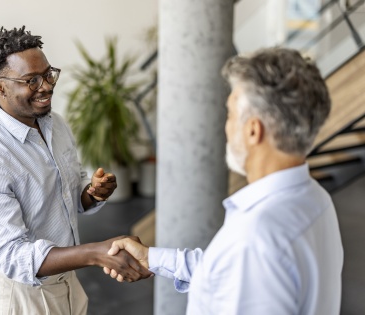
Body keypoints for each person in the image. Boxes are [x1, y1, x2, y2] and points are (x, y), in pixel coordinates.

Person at [105, 47, 344, 314]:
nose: (226, 125)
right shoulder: (316, 198)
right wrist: (152, 258)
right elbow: (228, 273)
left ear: (253, 130)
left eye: (230, 114)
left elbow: (243, 266)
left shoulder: (255, 238)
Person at [0, 26, 152, 315]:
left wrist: (92, 194)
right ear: (0, 88)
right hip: (18, 297)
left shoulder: (54, 125)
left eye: (48, 74)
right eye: (31, 80)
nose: (46, 86)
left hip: (67, 282)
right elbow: (14, 256)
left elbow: (68, 196)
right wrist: (97, 254)